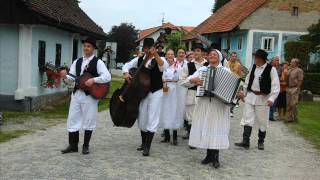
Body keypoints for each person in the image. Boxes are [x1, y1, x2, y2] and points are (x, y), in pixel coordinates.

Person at [60, 37, 112, 155]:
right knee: (73, 118)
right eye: (85, 46)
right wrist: (65, 77)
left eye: (88, 46)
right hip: (77, 93)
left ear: (93, 48)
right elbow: (72, 79)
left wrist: (94, 80)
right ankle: (73, 145)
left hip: (90, 95)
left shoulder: (98, 62)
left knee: (89, 119)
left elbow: (107, 77)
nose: (86, 48)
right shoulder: (77, 61)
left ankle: (85, 145)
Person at [122, 38, 168, 156]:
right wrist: (126, 73)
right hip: (142, 92)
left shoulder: (160, 58)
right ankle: (143, 143)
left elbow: (163, 67)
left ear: (153, 47)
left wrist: (156, 55)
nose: (146, 50)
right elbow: (127, 65)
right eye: (145, 48)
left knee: (152, 117)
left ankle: (147, 146)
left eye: (149, 48)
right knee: (142, 117)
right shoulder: (141, 59)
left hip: (155, 91)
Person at [186, 49, 230, 169]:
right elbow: (186, 82)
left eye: (215, 54)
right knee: (206, 127)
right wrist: (192, 80)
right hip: (204, 103)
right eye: (210, 54)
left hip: (218, 105)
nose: (212, 56)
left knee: (216, 127)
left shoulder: (225, 71)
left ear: (219, 57)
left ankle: (215, 157)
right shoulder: (202, 70)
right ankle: (208, 155)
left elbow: (232, 88)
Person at [235, 49, 280, 150]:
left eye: (257, 58)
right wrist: (244, 94)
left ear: (262, 59)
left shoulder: (271, 69)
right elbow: (247, 81)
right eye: (255, 58)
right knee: (247, 118)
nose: (255, 60)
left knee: (262, 120)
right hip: (251, 96)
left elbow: (275, 86)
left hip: (263, 98)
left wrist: (272, 99)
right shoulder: (254, 67)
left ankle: (261, 141)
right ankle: (245, 141)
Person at [180, 43, 208, 141]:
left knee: (202, 116)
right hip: (191, 94)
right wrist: (192, 81)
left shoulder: (208, 65)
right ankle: (192, 138)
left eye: (198, 51)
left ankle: (200, 135)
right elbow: (182, 81)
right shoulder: (188, 65)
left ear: (202, 53)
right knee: (190, 117)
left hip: (204, 95)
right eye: (194, 51)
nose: (196, 53)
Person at [159, 49, 187, 145]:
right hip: (165, 90)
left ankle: (174, 137)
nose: (170, 56)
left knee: (174, 112)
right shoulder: (163, 66)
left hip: (175, 91)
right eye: (168, 54)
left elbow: (181, 78)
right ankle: (166, 135)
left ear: (173, 55)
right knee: (165, 111)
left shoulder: (178, 66)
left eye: (172, 54)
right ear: (166, 55)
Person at [286, 58, 304, 123]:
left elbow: (300, 80)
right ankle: (289, 118)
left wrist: (297, 88)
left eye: (292, 62)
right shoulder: (289, 70)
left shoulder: (299, 70)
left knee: (293, 104)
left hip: (295, 88)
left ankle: (295, 118)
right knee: (288, 104)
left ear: (296, 63)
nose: (291, 63)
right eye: (291, 62)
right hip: (288, 88)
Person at [228, 52, 243, 117]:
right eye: (233, 56)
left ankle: (231, 110)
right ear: (230, 56)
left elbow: (240, 74)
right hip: (227, 82)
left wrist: (239, 82)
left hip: (235, 83)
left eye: (235, 56)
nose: (234, 57)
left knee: (234, 98)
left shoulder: (238, 64)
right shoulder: (227, 63)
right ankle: (227, 110)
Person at [269, 56, 281, 121]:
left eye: (278, 60)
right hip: (270, 87)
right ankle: (269, 115)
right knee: (269, 101)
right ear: (272, 61)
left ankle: (271, 116)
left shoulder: (279, 68)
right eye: (276, 60)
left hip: (276, 87)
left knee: (274, 102)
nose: (278, 61)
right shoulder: (269, 67)